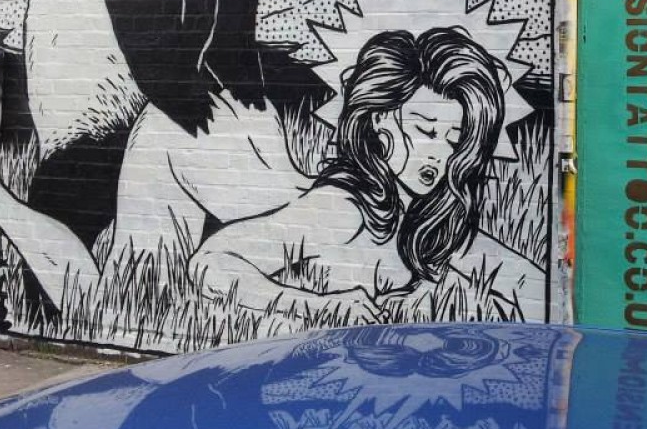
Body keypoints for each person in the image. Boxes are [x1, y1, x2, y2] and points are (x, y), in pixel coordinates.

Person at [189, 26, 543, 323]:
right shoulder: (345, 209)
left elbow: (527, 280)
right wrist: (320, 306)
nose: (440, 153)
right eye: (426, 130)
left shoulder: (430, 219)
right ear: (380, 117)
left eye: (455, 139)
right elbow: (211, 262)